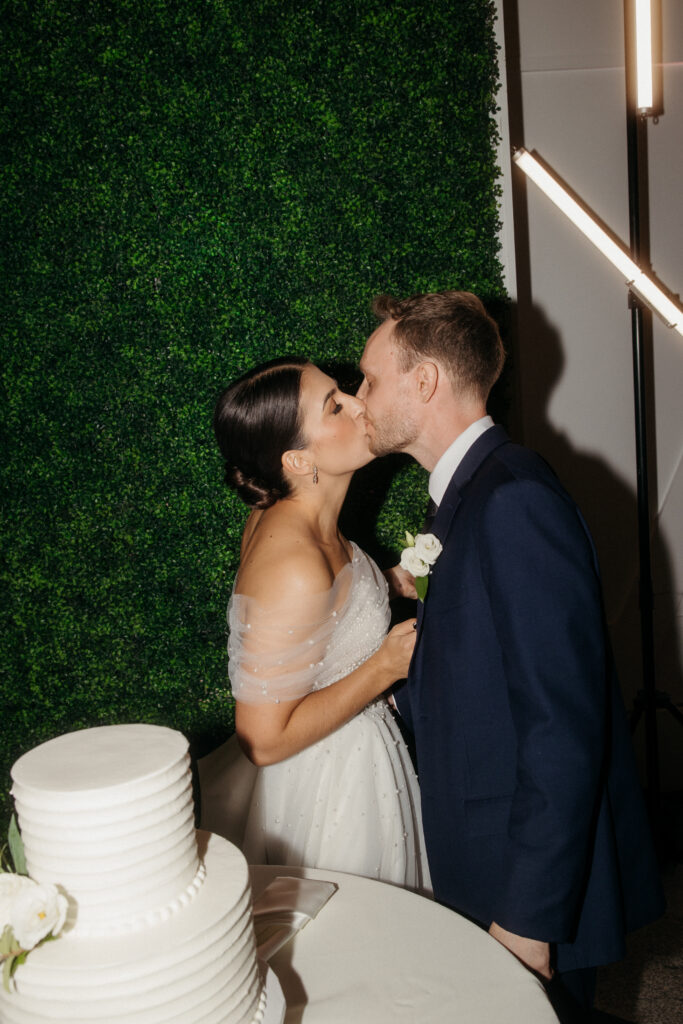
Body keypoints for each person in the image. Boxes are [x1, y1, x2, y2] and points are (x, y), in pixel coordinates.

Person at [357, 290, 664, 1015]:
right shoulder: (467, 494)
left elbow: (562, 723)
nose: (358, 396)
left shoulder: (512, 499)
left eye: (370, 380)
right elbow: (488, 667)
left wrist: (527, 917)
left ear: (424, 381)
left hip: (523, 883)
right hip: (482, 845)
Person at [198, 355, 430, 894]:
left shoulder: (295, 511)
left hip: (356, 762)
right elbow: (260, 740)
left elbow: (316, 626)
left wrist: (386, 581)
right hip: (333, 792)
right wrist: (384, 667)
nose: (357, 403)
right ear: (299, 461)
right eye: (335, 405)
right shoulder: (294, 564)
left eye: (345, 392)